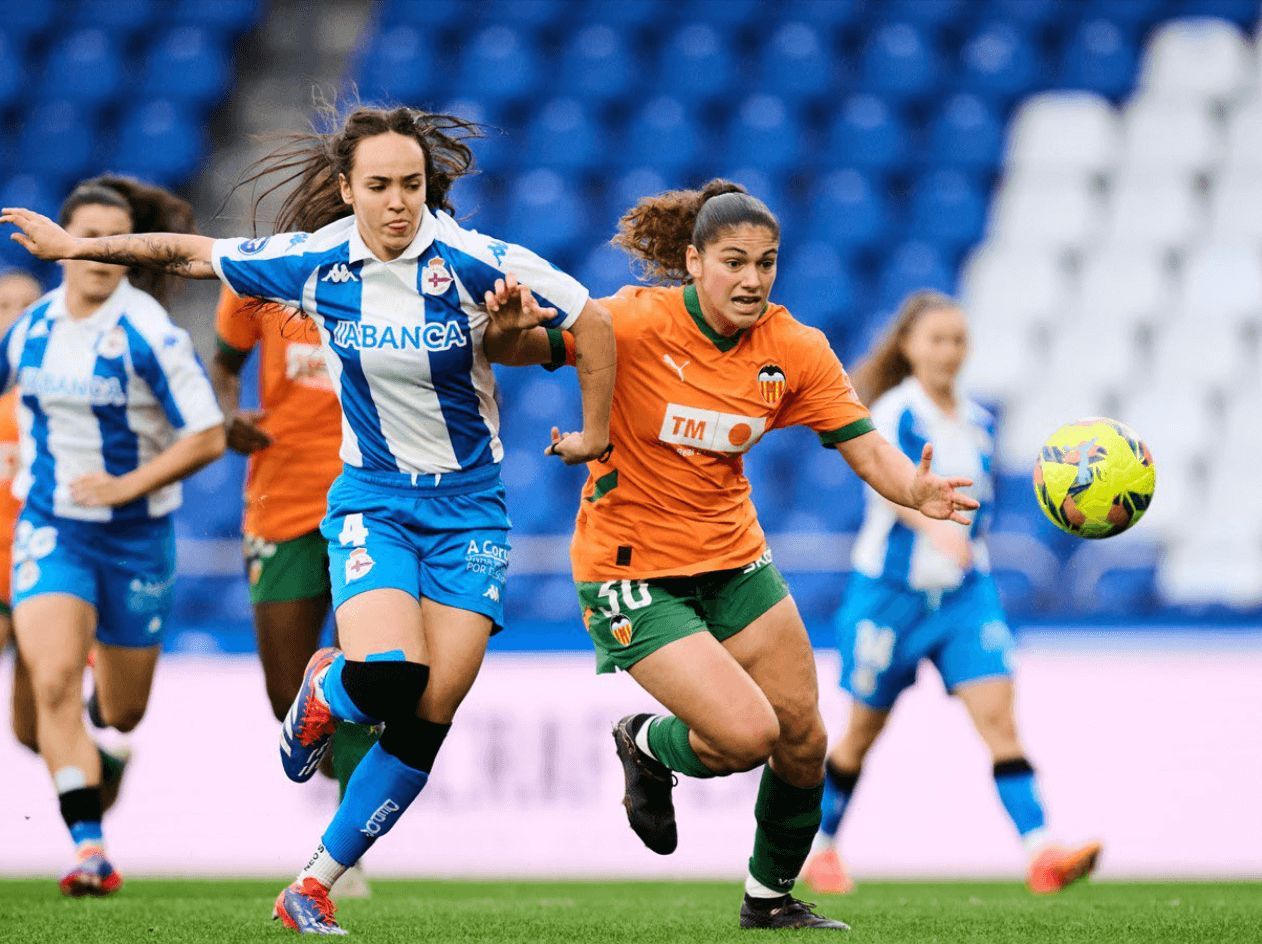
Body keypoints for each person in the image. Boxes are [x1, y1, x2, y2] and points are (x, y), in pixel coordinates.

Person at [2, 103, 616, 934]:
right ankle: (322, 692)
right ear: (346, 189)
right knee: (389, 677)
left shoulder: (475, 261)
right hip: (376, 501)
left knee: (432, 710)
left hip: (473, 509)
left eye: (413, 184)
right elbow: (191, 253)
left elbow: (592, 319)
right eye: (380, 186)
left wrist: (594, 433)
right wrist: (77, 248)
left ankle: (315, 883)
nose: (400, 201)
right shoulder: (314, 261)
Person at [484, 180, 978, 931]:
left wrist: (915, 487)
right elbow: (522, 347)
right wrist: (506, 329)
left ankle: (769, 899)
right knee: (748, 736)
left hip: (734, 561)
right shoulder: (631, 321)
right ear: (693, 261)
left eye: (767, 263)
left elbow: (868, 450)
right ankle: (644, 741)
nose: (752, 280)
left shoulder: (795, 348)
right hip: (632, 571)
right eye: (734, 262)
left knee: (806, 737)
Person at [798, 291, 1101, 896]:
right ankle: (819, 850)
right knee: (860, 734)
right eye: (937, 339)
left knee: (1000, 723)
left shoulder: (980, 420)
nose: (949, 351)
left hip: (965, 595)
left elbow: (980, 508)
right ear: (909, 346)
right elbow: (887, 485)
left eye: (959, 340)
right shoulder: (894, 412)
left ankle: (1042, 853)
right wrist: (932, 524)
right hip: (890, 595)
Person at [0, 176, 226, 896]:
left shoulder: (150, 335)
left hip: (135, 535)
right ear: (60, 245)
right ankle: (90, 849)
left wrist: (127, 486)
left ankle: (106, 741)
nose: (97, 251)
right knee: (54, 682)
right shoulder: (29, 328)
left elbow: (210, 435)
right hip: (51, 527)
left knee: (122, 711)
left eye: (111, 238)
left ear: (126, 250)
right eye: (85, 235)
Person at [210, 286, 377, 897]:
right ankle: (347, 772)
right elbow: (225, 364)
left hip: (371, 500)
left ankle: (346, 846)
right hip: (279, 499)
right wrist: (228, 414)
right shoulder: (259, 283)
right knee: (290, 698)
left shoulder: (395, 283)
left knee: (367, 672)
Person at [0, 271, 41, 753]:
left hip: (40, 568)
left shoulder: (67, 395)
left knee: (30, 730)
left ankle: (101, 767)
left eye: (28, 306)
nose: (17, 317)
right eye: (6, 306)